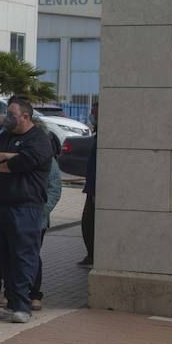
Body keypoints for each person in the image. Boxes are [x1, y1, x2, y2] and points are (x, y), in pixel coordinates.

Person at [0, 97, 54, 324]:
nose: (6, 118)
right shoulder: (6, 138)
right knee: (4, 256)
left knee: (22, 256)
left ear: (25, 117)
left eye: (12, 114)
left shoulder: (39, 139)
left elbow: (24, 163)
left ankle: (22, 304)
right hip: (0, 206)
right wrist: (6, 159)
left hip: (25, 208)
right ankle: (11, 302)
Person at [29, 115, 63, 311]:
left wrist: (41, 212)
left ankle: (34, 294)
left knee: (32, 255)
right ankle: (13, 293)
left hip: (36, 218)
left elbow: (54, 189)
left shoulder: (48, 160)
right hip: (14, 214)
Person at [79, 101, 98, 267]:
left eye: (94, 111)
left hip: (95, 190)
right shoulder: (98, 137)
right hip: (91, 188)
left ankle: (93, 255)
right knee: (87, 224)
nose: (92, 115)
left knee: (89, 223)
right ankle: (91, 254)